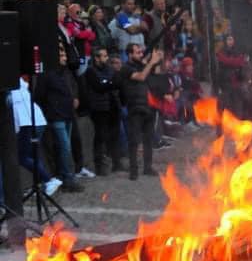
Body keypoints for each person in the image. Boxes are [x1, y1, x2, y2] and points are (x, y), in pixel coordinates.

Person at [33, 43, 84, 192]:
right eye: (61, 55)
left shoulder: (65, 72)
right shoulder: (46, 74)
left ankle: (65, 177)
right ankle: (68, 178)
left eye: (64, 55)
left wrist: (74, 98)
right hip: (56, 116)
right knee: (65, 148)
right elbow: (39, 96)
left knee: (65, 148)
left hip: (68, 114)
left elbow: (71, 88)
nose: (65, 57)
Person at [10, 77, 61, 196]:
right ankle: (42, 184)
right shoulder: (19, 83)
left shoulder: (12, 87)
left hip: (27, 123)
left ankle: (48, 180)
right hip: (36, 121)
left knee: (22, 157)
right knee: (33, 156)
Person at [121, 43, 162, 180]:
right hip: (135, 108)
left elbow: (153, 73)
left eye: (140, 52)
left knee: (148, 140)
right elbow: (141, 77)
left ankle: (147, 167)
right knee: (134, 141)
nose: (140, 54)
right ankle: (134, 171)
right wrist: (150, 63)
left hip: (148, 107)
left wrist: (155, 60)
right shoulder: (126, 68)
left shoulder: (141, 65)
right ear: (129, 54)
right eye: (137, 52)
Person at [86, 47, 125, 175]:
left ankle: (117, 163)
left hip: (113, 106)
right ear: (96, 58)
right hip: (99, 109)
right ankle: (100, 166)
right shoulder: (90, 71)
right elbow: (100, 87)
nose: (106, 58)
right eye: (103, 56)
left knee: (115, 136)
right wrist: (109, 82)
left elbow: (117, 83)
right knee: (100, 137)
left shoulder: (109, 70)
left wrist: (109, 82)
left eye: (106, 55)